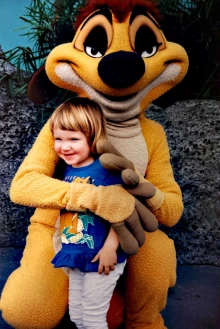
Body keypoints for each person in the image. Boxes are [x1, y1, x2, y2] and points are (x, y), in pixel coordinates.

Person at [49, 97, 128, 328]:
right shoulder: (67, 170)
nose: (65, 146)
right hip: (77, 254)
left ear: (92, 138)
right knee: (76, 315)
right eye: (59, 139)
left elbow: (122, 211)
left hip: (101, 256)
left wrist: (111, 248)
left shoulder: (105, 170)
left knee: (93, 317)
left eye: (74, 139)